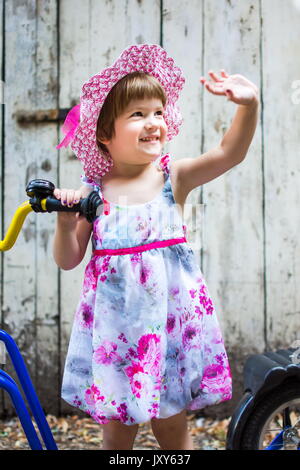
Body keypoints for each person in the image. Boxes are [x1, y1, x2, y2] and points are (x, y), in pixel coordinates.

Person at [52, 44, 259, 450]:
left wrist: (248, 106)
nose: (153, 123)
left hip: (170, 329)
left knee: (171, 425)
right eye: (138, 115)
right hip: (117, 335)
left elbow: (228, 153)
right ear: (105, 134)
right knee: (117, 431)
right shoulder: (93, 192)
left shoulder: (172, 177)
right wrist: (64, 223)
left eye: (158, 112)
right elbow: (69, 259)